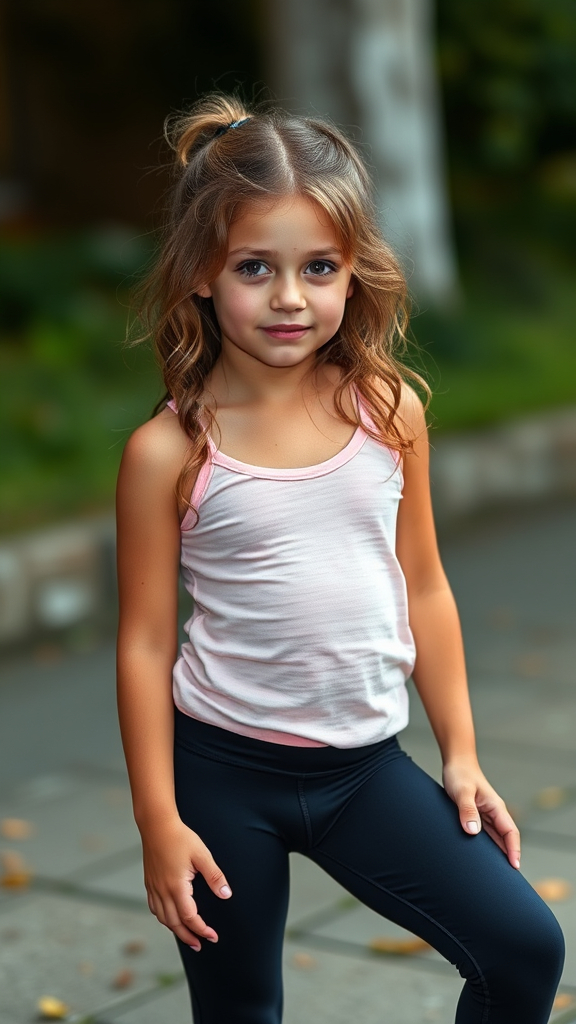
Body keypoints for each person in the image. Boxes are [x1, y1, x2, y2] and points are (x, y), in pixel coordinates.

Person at [116, 94, 564, 1024]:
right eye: (255, 268)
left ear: (353, 272)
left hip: (364, 770)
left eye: (318, 267)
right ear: (202, 275)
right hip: (219, 776)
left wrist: (463, 752)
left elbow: (425, 585)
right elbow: (144, 643)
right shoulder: (168, 452)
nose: (290, 297)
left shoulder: (387, 411)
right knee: (241, 1011)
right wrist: (159, 821)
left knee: (525, 946)